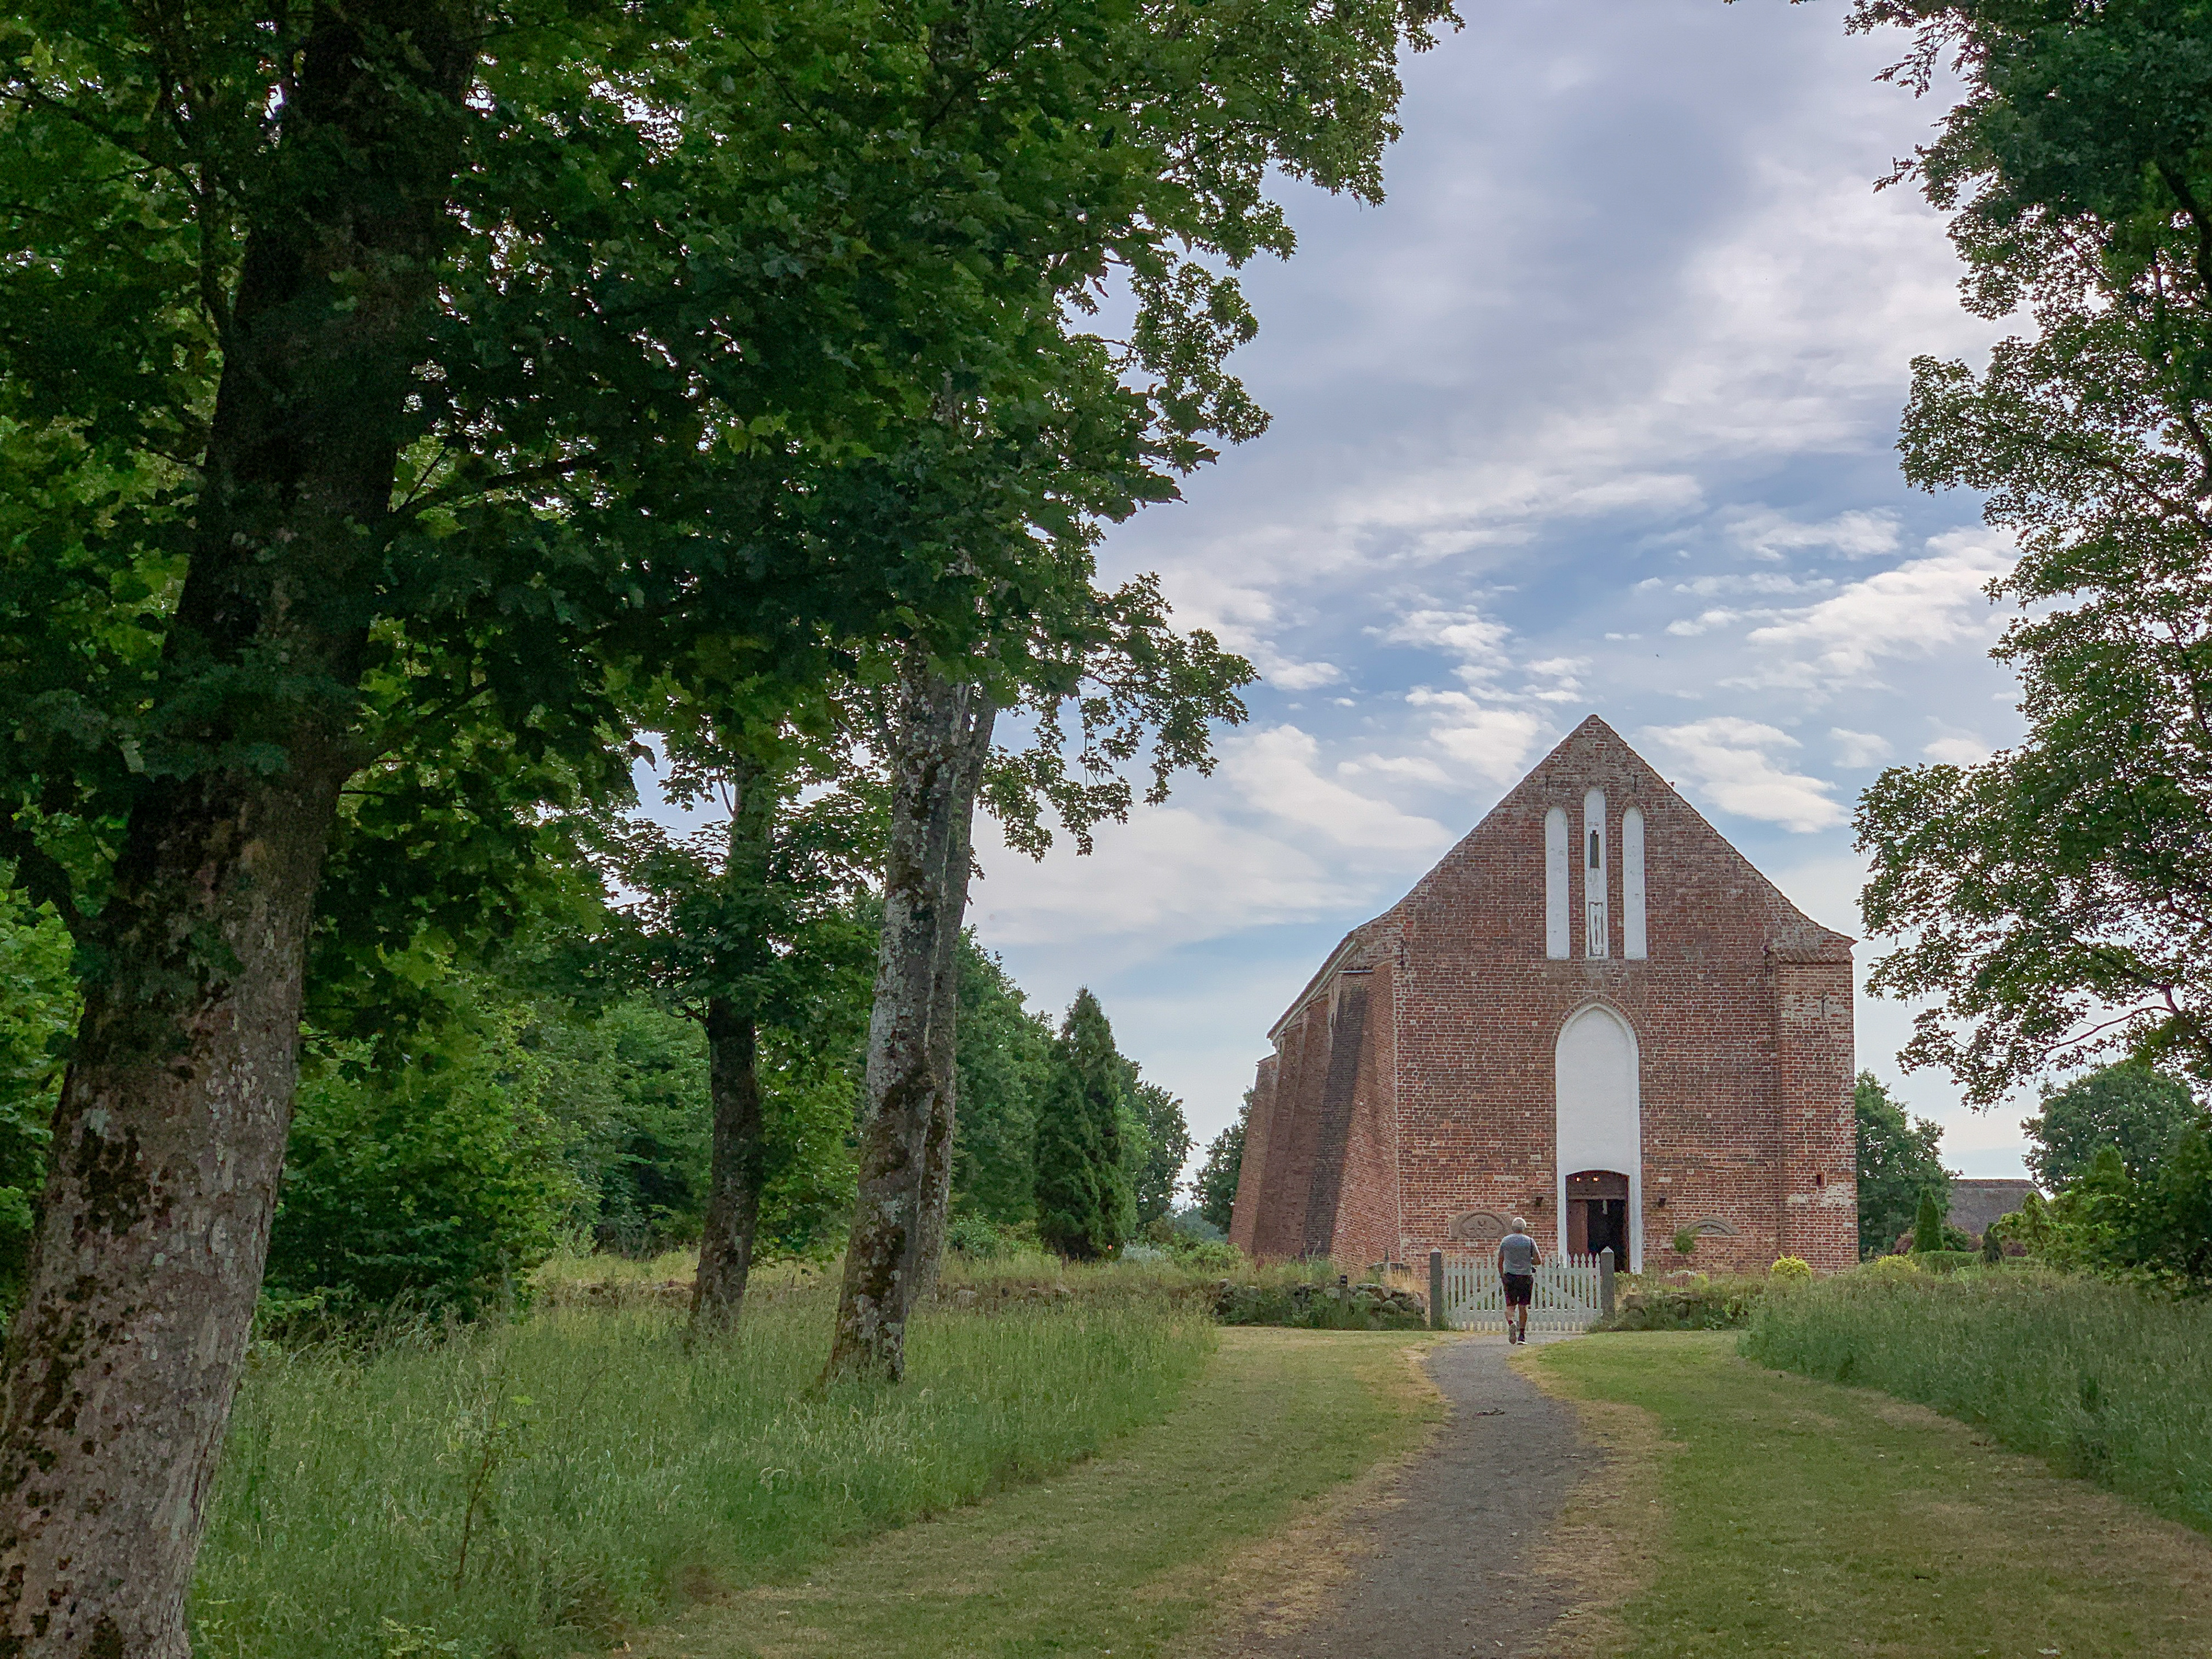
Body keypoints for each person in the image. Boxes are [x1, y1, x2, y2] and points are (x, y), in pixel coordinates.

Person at [1496, 1217, 1541, 1344]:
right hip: (1525, 1277)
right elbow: (1539, 1261)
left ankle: (1511, 1323)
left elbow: (1500, 1261)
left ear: (1512, 1228)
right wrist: (1528, 1261)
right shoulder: (1530, 1241)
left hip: (1510, 1276)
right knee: (1523, 1307)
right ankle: (1522, 1335)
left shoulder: (1505, 1241)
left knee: (1510, 1307)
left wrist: (1502, 1276)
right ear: (1524, 1229)